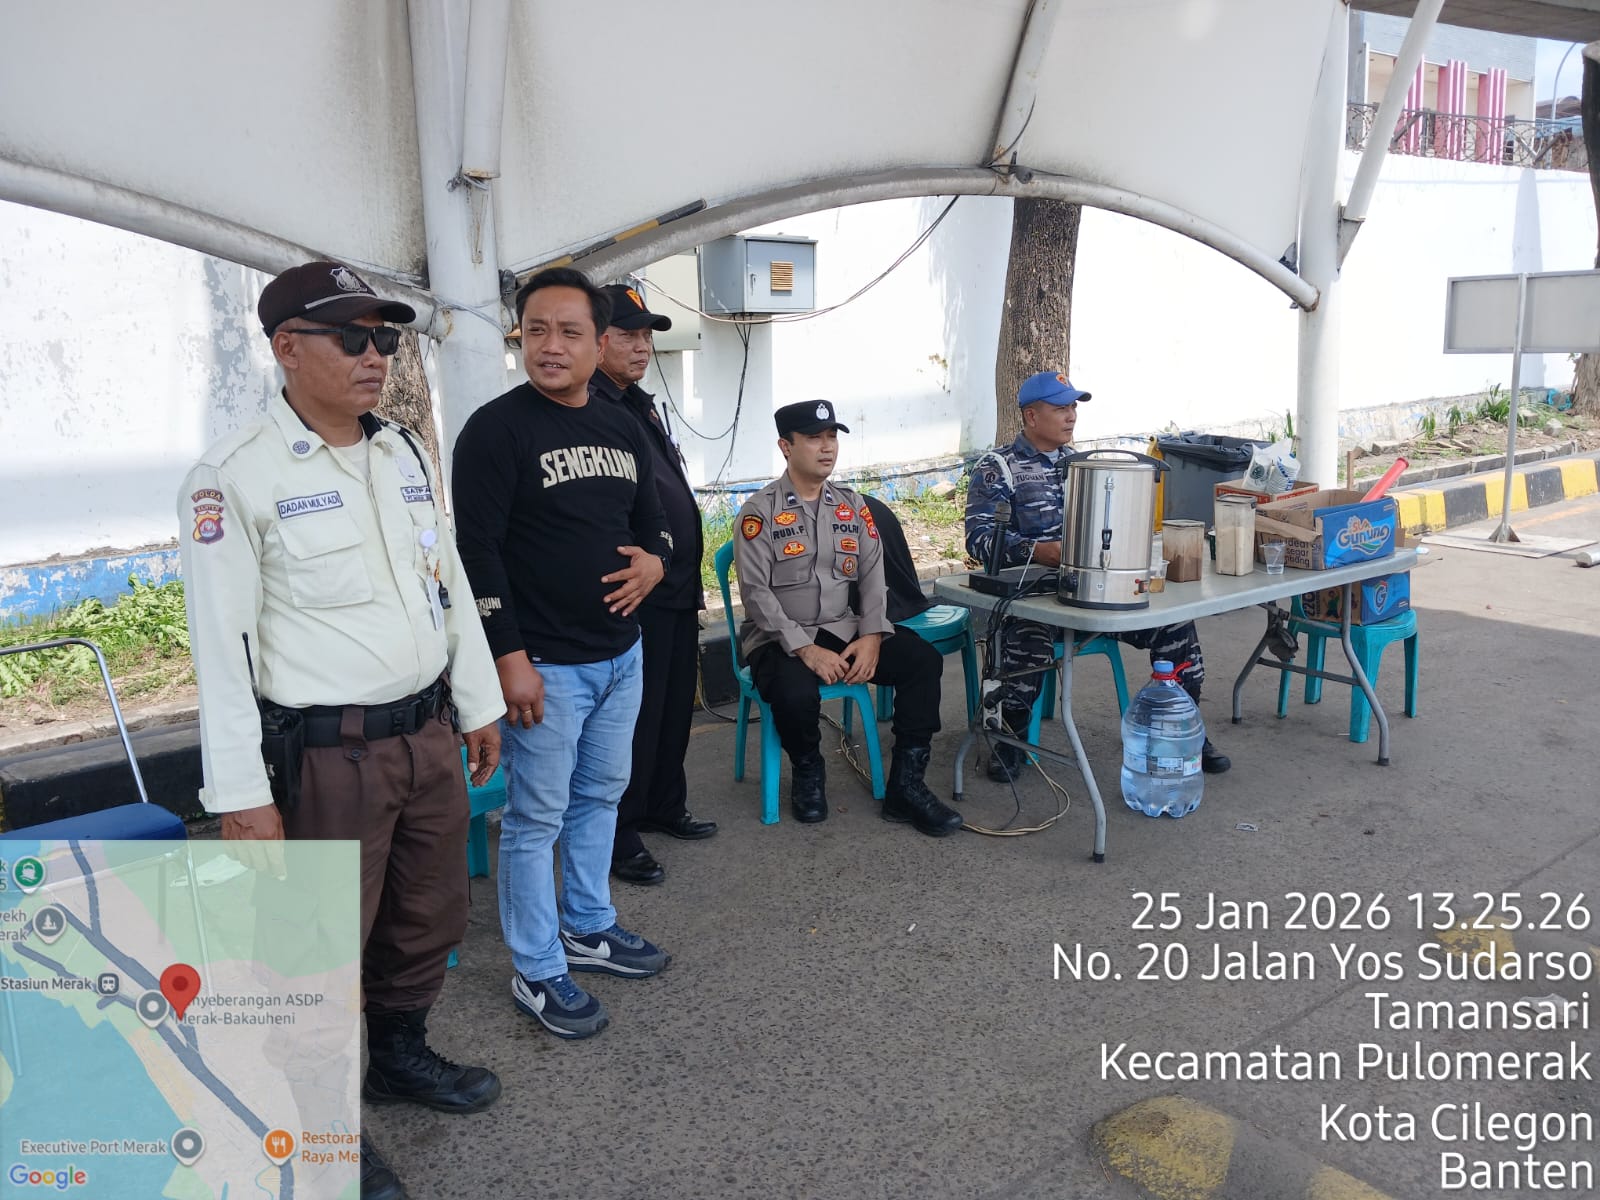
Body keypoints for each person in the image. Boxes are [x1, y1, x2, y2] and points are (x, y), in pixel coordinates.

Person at [179, 260, 507, 1200]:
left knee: (424, 918)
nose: (376, 356)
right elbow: (220, 648)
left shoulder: (400, 453)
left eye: (386, 337)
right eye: (352, 337)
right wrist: (241, 796)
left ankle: (398, 1059)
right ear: (287, 348)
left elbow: (443, 579)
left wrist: (477, 699)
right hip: (327, 756)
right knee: (313, 955)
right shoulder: (234, 477)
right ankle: (323, 1133)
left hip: (425, 735)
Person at [452, 267, 673, 1041]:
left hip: (620, 656)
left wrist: (657, 562)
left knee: (600, 797)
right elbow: (476, 553)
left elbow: (654, 521)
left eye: (569, 331)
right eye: (536, 330)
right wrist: (507, 657)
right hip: (545, 665)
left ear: (598, 341)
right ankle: (538, 967)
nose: (551, 346)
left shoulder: (620, 425)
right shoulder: (495, 430)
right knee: (534, 818)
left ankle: (588, 925)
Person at [964, 371, 1232, 779]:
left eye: (1073, 407)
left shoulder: (1085, 466)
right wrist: (1037, 551)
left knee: (1174, 624)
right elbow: (979, 540)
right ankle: (1011, 739)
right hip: (1035, 598)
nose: (1071, 416)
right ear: (1031, 416)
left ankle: (1182, 729)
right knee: (1026, 643)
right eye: (1061, 408)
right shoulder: (999, 468)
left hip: (1099, 590)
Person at [735, 400, 963, 836]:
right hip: (779, 638)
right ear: (786, 446)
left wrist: (873, 634)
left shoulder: (851, 506)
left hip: (844, 627)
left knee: (922, 662)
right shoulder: (758, 512)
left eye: (832, 437)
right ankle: (808, 770)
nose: (827, 447)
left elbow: (874, 576)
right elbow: (756, 594)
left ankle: (906, 786)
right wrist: (805, 649)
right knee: (795, 691)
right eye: (814, 438)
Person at [592, 283, 715, 887]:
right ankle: (619, 831)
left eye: (646, 336)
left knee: (671, 708)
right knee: (631, 722)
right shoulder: (592, 408)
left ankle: (664, 802)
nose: (642, 347)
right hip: (637, 589)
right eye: (628, 335)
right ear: (596, 340)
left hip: (674, 585)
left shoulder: (635, 402)